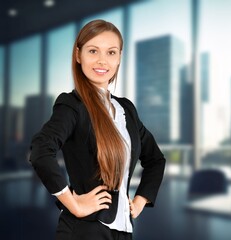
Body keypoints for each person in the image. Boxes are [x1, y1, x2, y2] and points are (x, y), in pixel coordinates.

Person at [29, 19, 166, 240]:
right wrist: (73, 204)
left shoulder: (126, 110)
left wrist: (141, 200)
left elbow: (156, 159)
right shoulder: (72, 105)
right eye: (93, 51)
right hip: (85, 230)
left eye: (111, 53)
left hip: (124, 232)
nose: (102, 60)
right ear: (78, 54)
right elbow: (40, 151)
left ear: (120, 57)